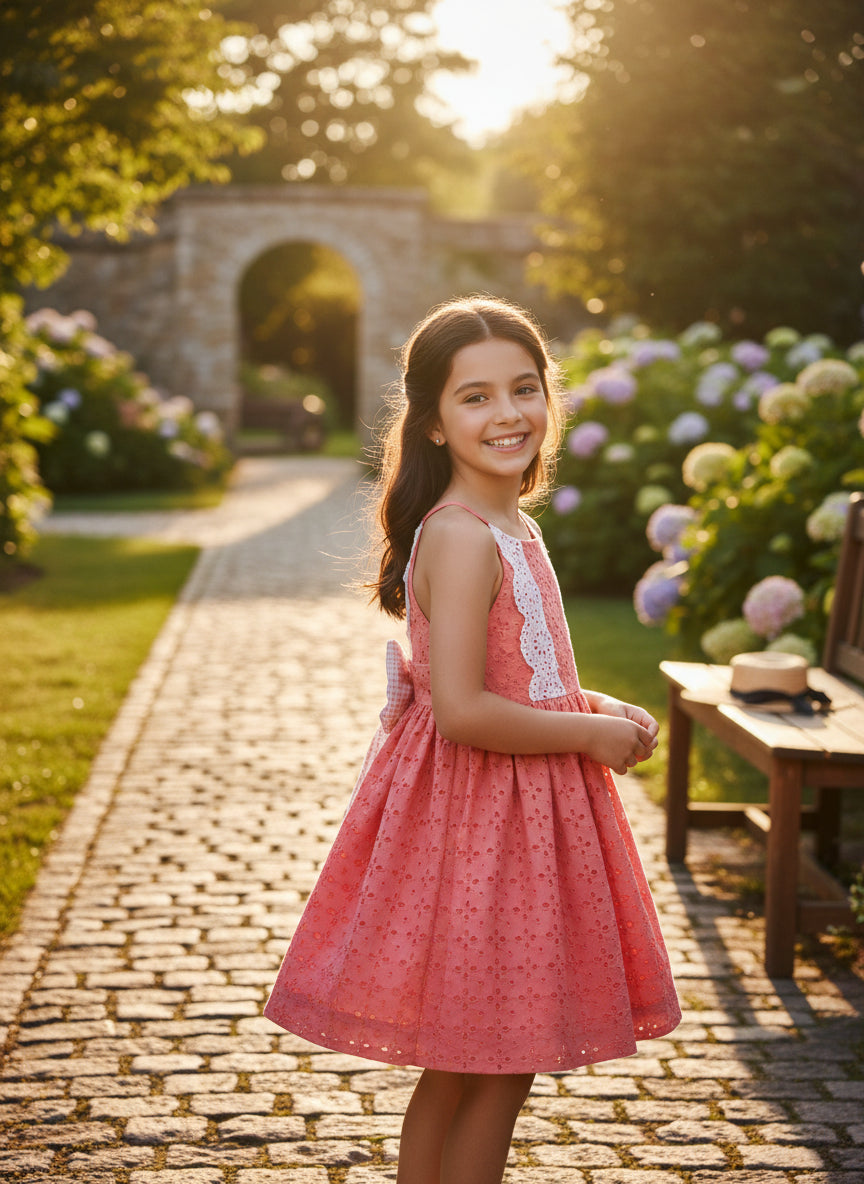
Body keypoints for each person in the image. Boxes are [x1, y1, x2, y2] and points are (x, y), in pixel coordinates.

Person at [264, 296, 681, 1184]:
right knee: (484, 1067)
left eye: (524, 390)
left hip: (520, 820)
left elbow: (514, 676)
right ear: (433, 424)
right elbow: (459, 708)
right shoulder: (458, 536)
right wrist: (588, 737)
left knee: (478, 1066)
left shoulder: (513, 527)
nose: (508, 415)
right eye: (476, 398)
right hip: (481, 829)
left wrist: (593, 703)